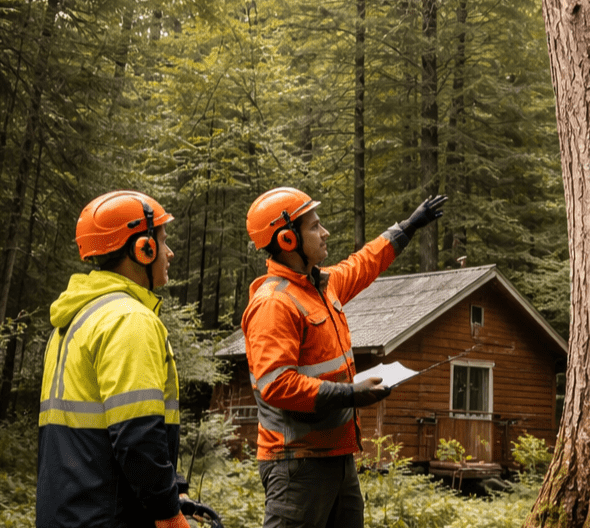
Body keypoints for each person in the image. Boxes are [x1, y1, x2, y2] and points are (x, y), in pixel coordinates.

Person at [242, 187, 447, 528]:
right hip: (296, 464)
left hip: (337, 457)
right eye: (314, 226)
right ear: (287, 240)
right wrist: (352, 394)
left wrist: (409, 226)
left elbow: (365, 263)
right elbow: (276, 386)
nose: (325, 233)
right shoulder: (274, 303)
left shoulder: (322, 285)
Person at [36, 190, 221, 528]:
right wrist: (167, 514)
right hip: (110, 517)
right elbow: (137, 435)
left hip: (68, 513)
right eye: (163, 242)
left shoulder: (75, 320)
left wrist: (172, 490)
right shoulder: (128, 319)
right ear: (143, 249)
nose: (170, 252)